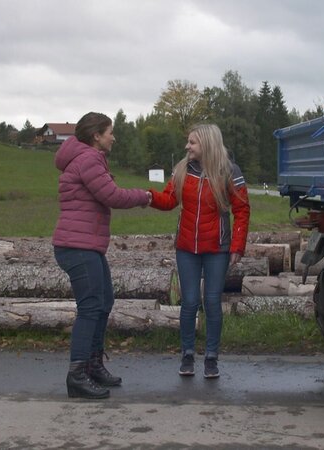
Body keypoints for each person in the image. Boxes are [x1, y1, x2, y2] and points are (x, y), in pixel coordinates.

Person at [52, 112, 152, 399]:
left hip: (85, 245)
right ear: (96, 135)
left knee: (104, 301)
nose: (114, 136)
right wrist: (144, 197)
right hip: (78, 246)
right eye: (110, 131)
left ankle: (93, 365)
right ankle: (77, 375)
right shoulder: (89, 159)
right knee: (91, 308)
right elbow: (112, 196)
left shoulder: (85, 157)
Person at [148, 123, 250, 378]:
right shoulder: (182, 169)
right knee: (190, 302)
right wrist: (147, 196)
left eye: (192, 142)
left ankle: (212, 357)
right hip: (186, 249)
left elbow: (242, 210)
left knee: (212, 302)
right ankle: (187, 355)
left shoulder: (229, 171)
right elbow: (170, 200)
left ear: (206, 144)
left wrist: (237, 246)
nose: (187, 147)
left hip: (217, 249)